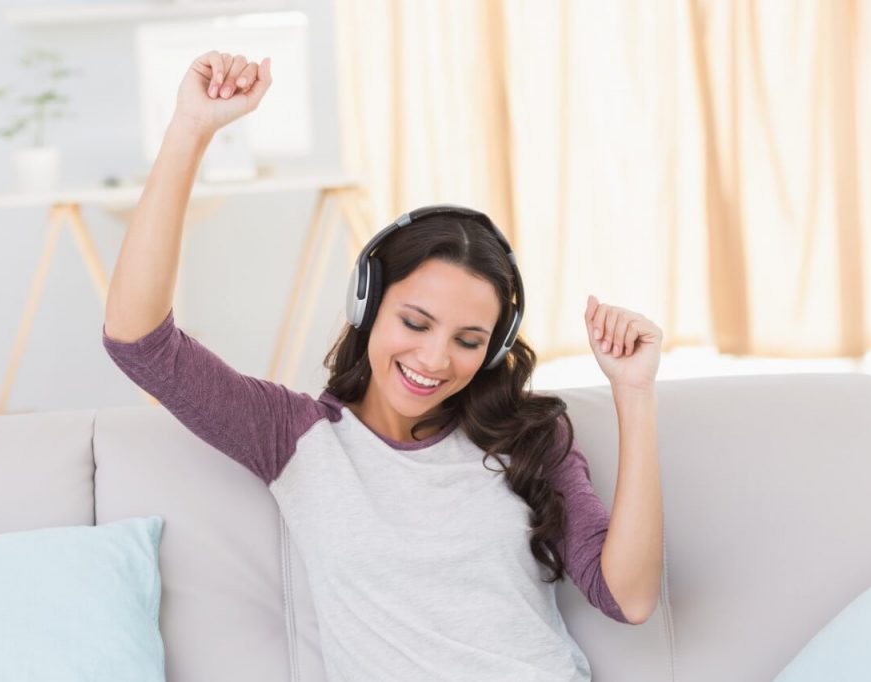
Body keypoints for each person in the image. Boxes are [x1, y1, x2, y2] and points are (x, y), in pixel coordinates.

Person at [102, 51, 664, 682]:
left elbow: (630, 598)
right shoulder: (295, 437)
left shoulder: (527, 438)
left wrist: (635, 394)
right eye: (416, 323)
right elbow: (138, 342)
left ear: (496, 348)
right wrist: (190, 127)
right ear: (366, 304)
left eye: (468, 340)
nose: (433, 360)